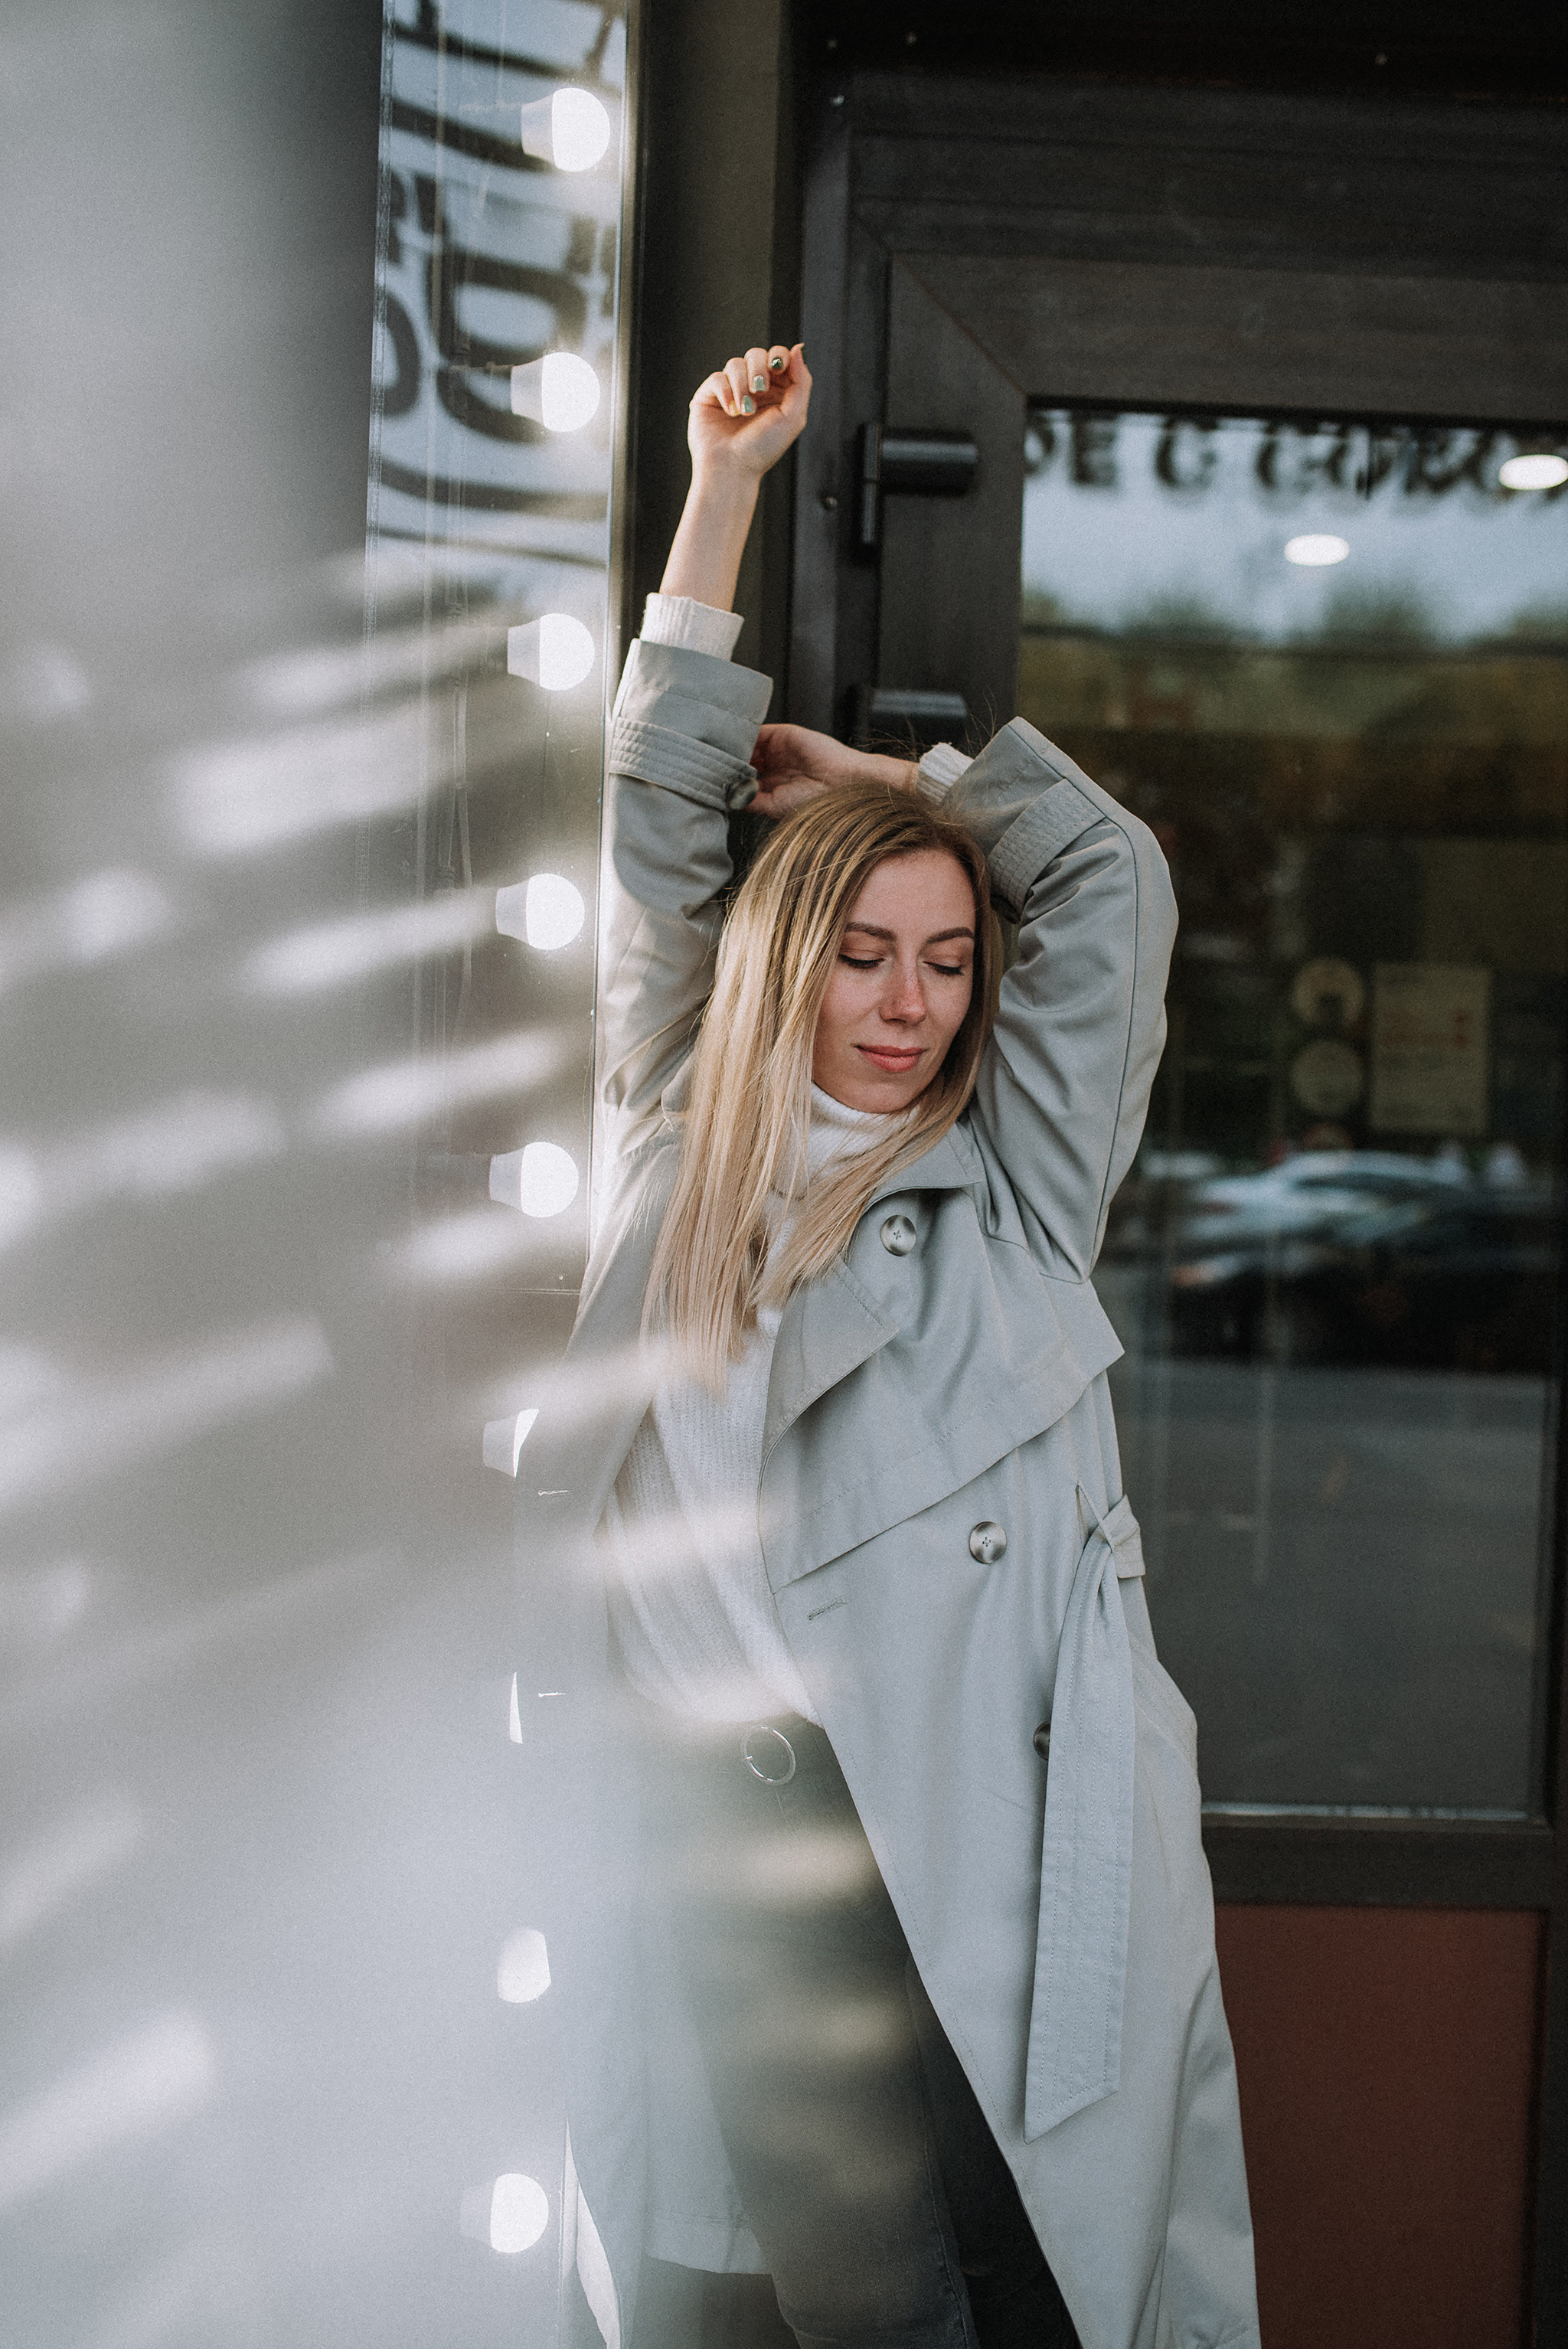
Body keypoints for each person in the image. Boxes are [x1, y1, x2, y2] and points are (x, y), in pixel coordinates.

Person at [515, 342, 1259, 2349]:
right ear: (785, 955)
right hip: (694, 1811)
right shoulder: (677, 1117)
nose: (910, 1005)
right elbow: (658, 807)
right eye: (863, 950)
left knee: (910, 2309)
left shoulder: (1010, 1179)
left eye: (946, 960)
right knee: (695, 2294)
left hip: (920, 1840)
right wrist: (722, 488)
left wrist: (904, 794)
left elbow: (1110, 881)